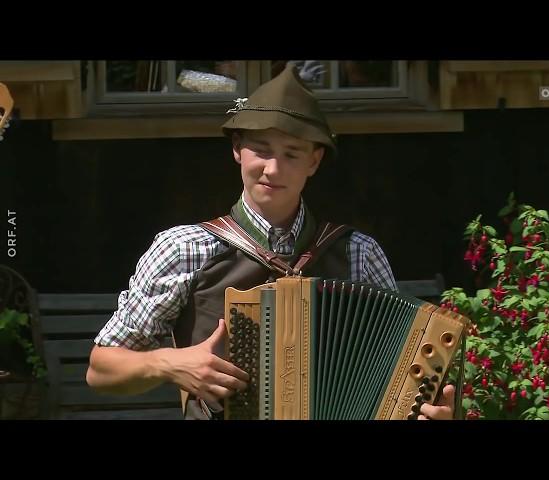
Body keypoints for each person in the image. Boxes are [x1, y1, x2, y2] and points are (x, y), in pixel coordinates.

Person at [86, 64, 456, 420]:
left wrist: (426, 411)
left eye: (291, 154)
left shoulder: (359, 252)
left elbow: (399, 380)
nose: (273, 169)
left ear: (314, 161)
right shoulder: (183, 249)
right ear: (237, 148)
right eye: (261, 149)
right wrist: (169, 363)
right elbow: (101, 370)